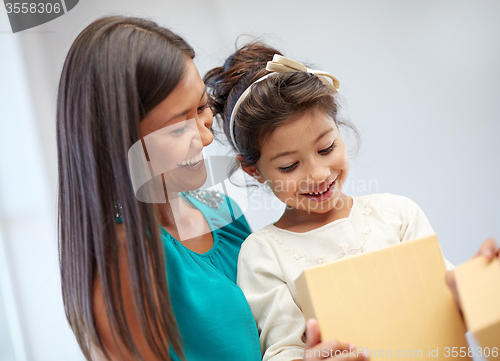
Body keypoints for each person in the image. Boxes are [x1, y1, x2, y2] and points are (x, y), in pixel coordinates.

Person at [56, 16, 364, 361]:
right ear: (119, 142)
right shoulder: (124, 263)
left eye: (202, 107)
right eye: (176, 130)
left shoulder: (221, 211)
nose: (205, 136)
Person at [204, 42, 498, 361]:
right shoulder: (264, 253)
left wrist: (480, 284)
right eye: (289, 166)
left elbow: (449, 313)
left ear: (339, 131)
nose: (317, 174)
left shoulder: (397, 215)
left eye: (326, 148)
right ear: (254, 170)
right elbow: (282, 350)